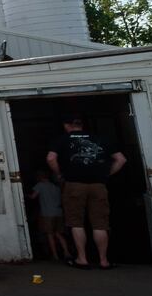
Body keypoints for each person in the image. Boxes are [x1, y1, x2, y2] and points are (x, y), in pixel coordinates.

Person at [47, 115, 127, 269]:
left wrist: (60, 173)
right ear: (82, 125)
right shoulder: (100, 138)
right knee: (100, 224)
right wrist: (106, 174)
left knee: (76, 222)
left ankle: (82, 259)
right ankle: (104, 261)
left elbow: (51, 158)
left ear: (66, 125)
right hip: (98, 184)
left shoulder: (62, 139)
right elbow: (121, 159)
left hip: (74, 184)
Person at [27, 168, 72, 263]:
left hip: (47, 213)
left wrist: (26, 195)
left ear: (39, 177)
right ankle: (67, 252)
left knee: (50, 234)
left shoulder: (40, 185)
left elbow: (33, 196)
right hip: (58, 212)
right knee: (59, 233)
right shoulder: (56, 187)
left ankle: (55, 255)